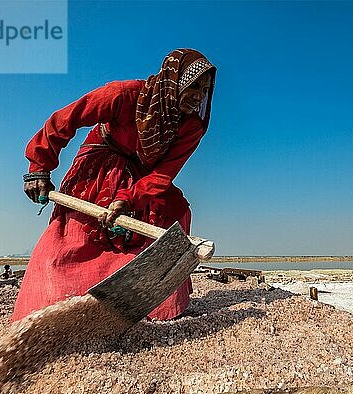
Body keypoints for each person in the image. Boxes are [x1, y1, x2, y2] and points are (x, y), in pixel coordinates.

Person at [12, 49, 216, 322]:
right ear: (173, 80)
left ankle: (154, 306)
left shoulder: (192, 126)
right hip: (102, 160)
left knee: (175, 211)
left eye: (204, 90)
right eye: (192, 86)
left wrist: (129, 199)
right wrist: (39, 166)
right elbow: (67, 118)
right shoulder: (125, 95)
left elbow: (163, 174)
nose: (198, 96)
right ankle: (52, 305)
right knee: (78, 229)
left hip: (144, 178)